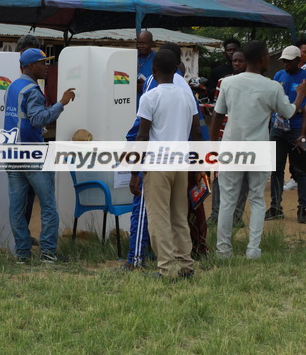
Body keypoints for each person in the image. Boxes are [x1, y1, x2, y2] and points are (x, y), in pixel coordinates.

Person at [210, 41, 306, 259]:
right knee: (256, 199)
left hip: (231, 147)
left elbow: (217, 116)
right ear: (263, 59)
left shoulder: (227, 83)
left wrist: (214, 146)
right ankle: (253, 250)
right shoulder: (272, 86)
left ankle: (223, 251)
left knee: (227, 200)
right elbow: (290, 113)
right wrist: (301, 94)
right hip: (259, 149)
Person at [131, 49, 200, 279]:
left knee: (158, 218)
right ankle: (185, 265)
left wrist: (134, 172)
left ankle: (167, 269)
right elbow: (196, 131)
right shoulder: (186, 95)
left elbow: (142, 137)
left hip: (158, 165)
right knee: (179, 217)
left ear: (154, 70)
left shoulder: (150, 97)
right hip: (180, 164)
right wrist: (197, 164)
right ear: (178, 69)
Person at [5, 48, 76, 264]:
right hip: (32, 153)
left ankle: (22, 254)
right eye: (42, 63)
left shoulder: (13, 87)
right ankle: (48, 253)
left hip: (12, 152)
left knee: (17, 207)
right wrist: (61, 104)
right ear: (29, 66)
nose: (46, 67)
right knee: (48, 205)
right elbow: (38, 120)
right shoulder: (32, 90)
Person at [208, 50, 249, 227]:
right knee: (219, 175)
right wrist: (215, 139)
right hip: (225, 134)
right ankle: (216, 213)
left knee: (244, 176)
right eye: (234, 61)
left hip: (247, 137)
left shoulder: (255, 84)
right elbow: (218, 111)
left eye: (240, 61)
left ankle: (237, 216)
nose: (237, 64)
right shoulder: (223, 82)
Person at [266, 45, 306, 222]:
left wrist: (303, 134)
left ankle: (303, 208)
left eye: (289, 61)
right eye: (284, 61)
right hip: (278, 128)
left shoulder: (304, 78)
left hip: (297, 129)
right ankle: (275, 207)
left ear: (299, 61)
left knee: (301, 170)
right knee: (276, 169)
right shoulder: (278, 76)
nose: (285, 64)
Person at [14, 33, 42, 247]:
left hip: (15, 147)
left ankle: (23, 243)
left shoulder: (22, 82)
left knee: (25, 197)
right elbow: (37, 118)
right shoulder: (26, 84)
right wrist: (59, 106)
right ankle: (24, 243)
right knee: (46, 201)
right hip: (27, 147)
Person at [136, 30, 155, 96]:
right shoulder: (132, 57)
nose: (141, 46)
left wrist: (144, 87)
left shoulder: (157, 60)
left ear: (152, 43)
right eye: (138, 43)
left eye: (144, 43)